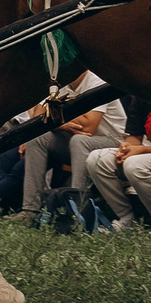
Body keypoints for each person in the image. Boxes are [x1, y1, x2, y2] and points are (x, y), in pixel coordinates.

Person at [26, 72, 121, 223]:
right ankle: (30, 210)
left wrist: (56, 112)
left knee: (79, 140)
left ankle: (78, 212)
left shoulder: (97, 81)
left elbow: (89, 126)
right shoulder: (60, 81)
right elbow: (37, 115)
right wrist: (62, 123)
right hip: (74, 139)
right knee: (37, 139)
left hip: (113, 141)